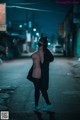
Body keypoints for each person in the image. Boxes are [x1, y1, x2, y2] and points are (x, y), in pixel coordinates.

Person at [31, 36, 54, 111]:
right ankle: (36, 106)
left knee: (43, 90)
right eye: (39, 41)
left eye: (41, 42)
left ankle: (49, 104)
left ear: (44, 43)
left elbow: (50, 60)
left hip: (43, 75)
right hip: (35, 74)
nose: (39, 43)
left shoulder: (46, 51)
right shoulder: (39, 50)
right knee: (37, 90)